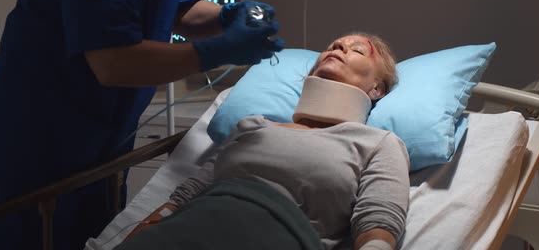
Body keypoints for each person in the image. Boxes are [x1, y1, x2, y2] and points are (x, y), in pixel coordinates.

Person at [0, 0, 283, 249]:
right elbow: (113, 62)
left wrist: (227, 16)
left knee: (96, 236)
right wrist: (217, 50)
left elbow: (181, 4)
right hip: (37, 138)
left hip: (104, 141)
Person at [117, 33, 409, 250]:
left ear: (376, 89)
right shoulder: (253, 126)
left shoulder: (378, 143)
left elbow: (377, 226)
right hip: (185, 230)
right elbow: (186, 196)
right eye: (334, 46)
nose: (338, 48)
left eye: (357, 50)